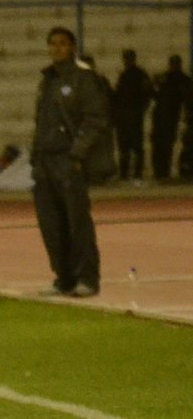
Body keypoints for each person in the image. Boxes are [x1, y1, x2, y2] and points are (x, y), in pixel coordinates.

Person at [31, 27, 110, 298]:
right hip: (45, 162)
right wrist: (35, 158)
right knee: (51, 224)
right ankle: (63, 278)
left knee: (77, 223)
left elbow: (96, 120)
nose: (56, 49)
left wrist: (77, 155)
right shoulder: (48, 79)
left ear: (73, 47)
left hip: (68, 160)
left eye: (62, 44)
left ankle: (87, 278)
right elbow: (41, 121)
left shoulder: (83, 79)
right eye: (52, 44)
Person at [113, 49, 154, 181]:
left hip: (133, 115)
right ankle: (125, 173)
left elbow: (148, 93)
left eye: (128, 58)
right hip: (125, 115)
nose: (126, 61)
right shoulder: (125, 75)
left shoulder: (139, 74)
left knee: (135, 146)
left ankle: (136, 173)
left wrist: (141, 109)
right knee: (125, 145)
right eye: (125, 58)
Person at [150, 55, 193, 181]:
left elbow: (187, 98)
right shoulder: (167, 78)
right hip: (161, 116)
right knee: (158, 145)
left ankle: (164, 171)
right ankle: (160, 171)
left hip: (171, 117)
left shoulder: (182, 79)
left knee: (166, 145)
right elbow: (156, 95)